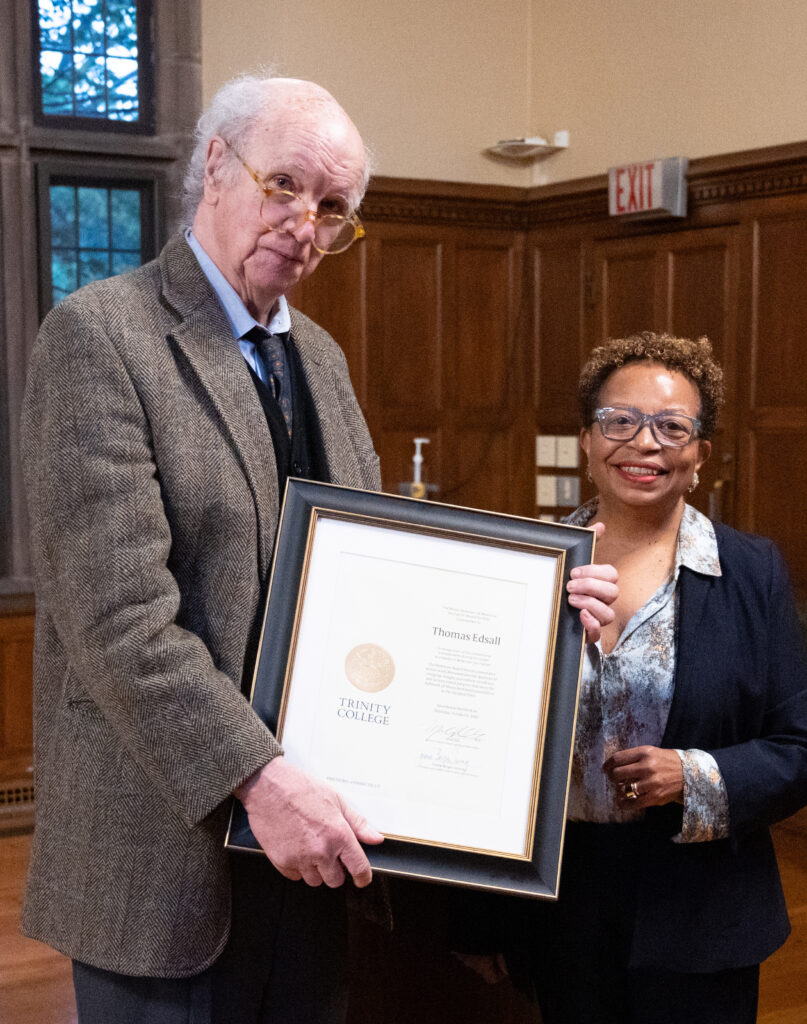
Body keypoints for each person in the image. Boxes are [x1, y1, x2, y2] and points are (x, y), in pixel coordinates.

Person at [19, 73, 617, 1024]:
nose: (307, 222)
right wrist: (260, 777)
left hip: (317, 849)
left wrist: (532, 613)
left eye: (335, 207)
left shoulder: (323, 360)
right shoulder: (101, 337)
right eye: (286, 184)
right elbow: (118, 621)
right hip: (168, 853)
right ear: (215, 166)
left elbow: (384, 578)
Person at [520, 332, 807, 1024]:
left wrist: (695, 774)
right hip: (560, 902)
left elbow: (799, 745)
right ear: (586, 441)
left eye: (671, 427)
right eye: (619, 422)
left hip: (701, 906)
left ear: (699, 455)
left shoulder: (750, 572)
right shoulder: (526, 566)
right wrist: (476, 916)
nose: (644, 444)